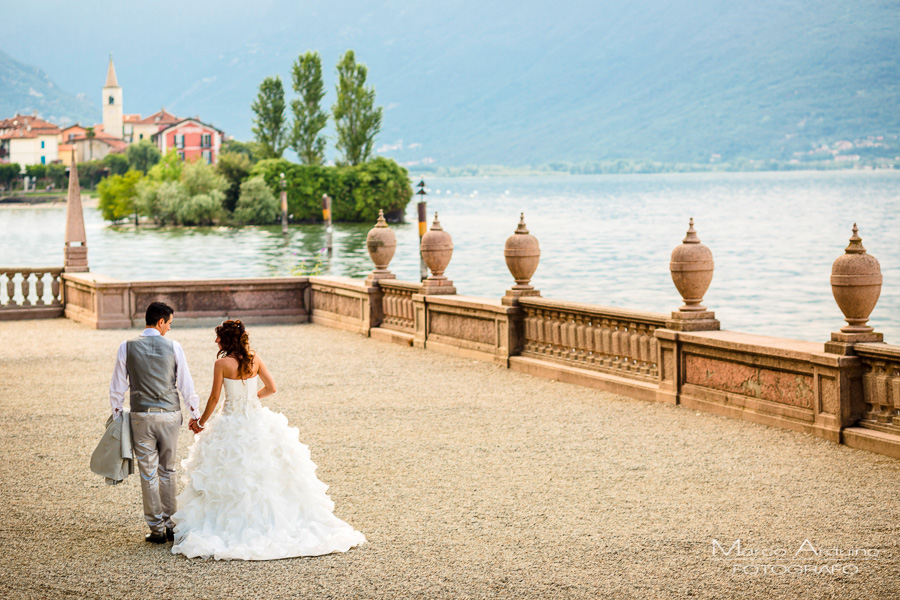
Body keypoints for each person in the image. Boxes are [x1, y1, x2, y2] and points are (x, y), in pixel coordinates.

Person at [171, 319, 366, 560]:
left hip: (231, 422)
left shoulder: (221, 363)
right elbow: (272, 388)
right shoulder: (254, 358)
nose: (215, 341)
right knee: (268, 473)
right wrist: (252, 399)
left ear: (226, 339)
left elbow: (213, 398)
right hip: (256, 420)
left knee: (232, 474)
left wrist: (200, 423)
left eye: (218, 337)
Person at [109, 301, 201, 544]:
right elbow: (185, 384)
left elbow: (117, 388)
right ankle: (171, 524)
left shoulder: (125, 347)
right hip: (170, 416)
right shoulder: (174, 347)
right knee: (167, 470)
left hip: (141, 416)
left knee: (148, 473)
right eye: (169, 323)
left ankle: (156, 529)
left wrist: (117, 417)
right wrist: (195, 414)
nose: (169, 328)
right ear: (160, 322)